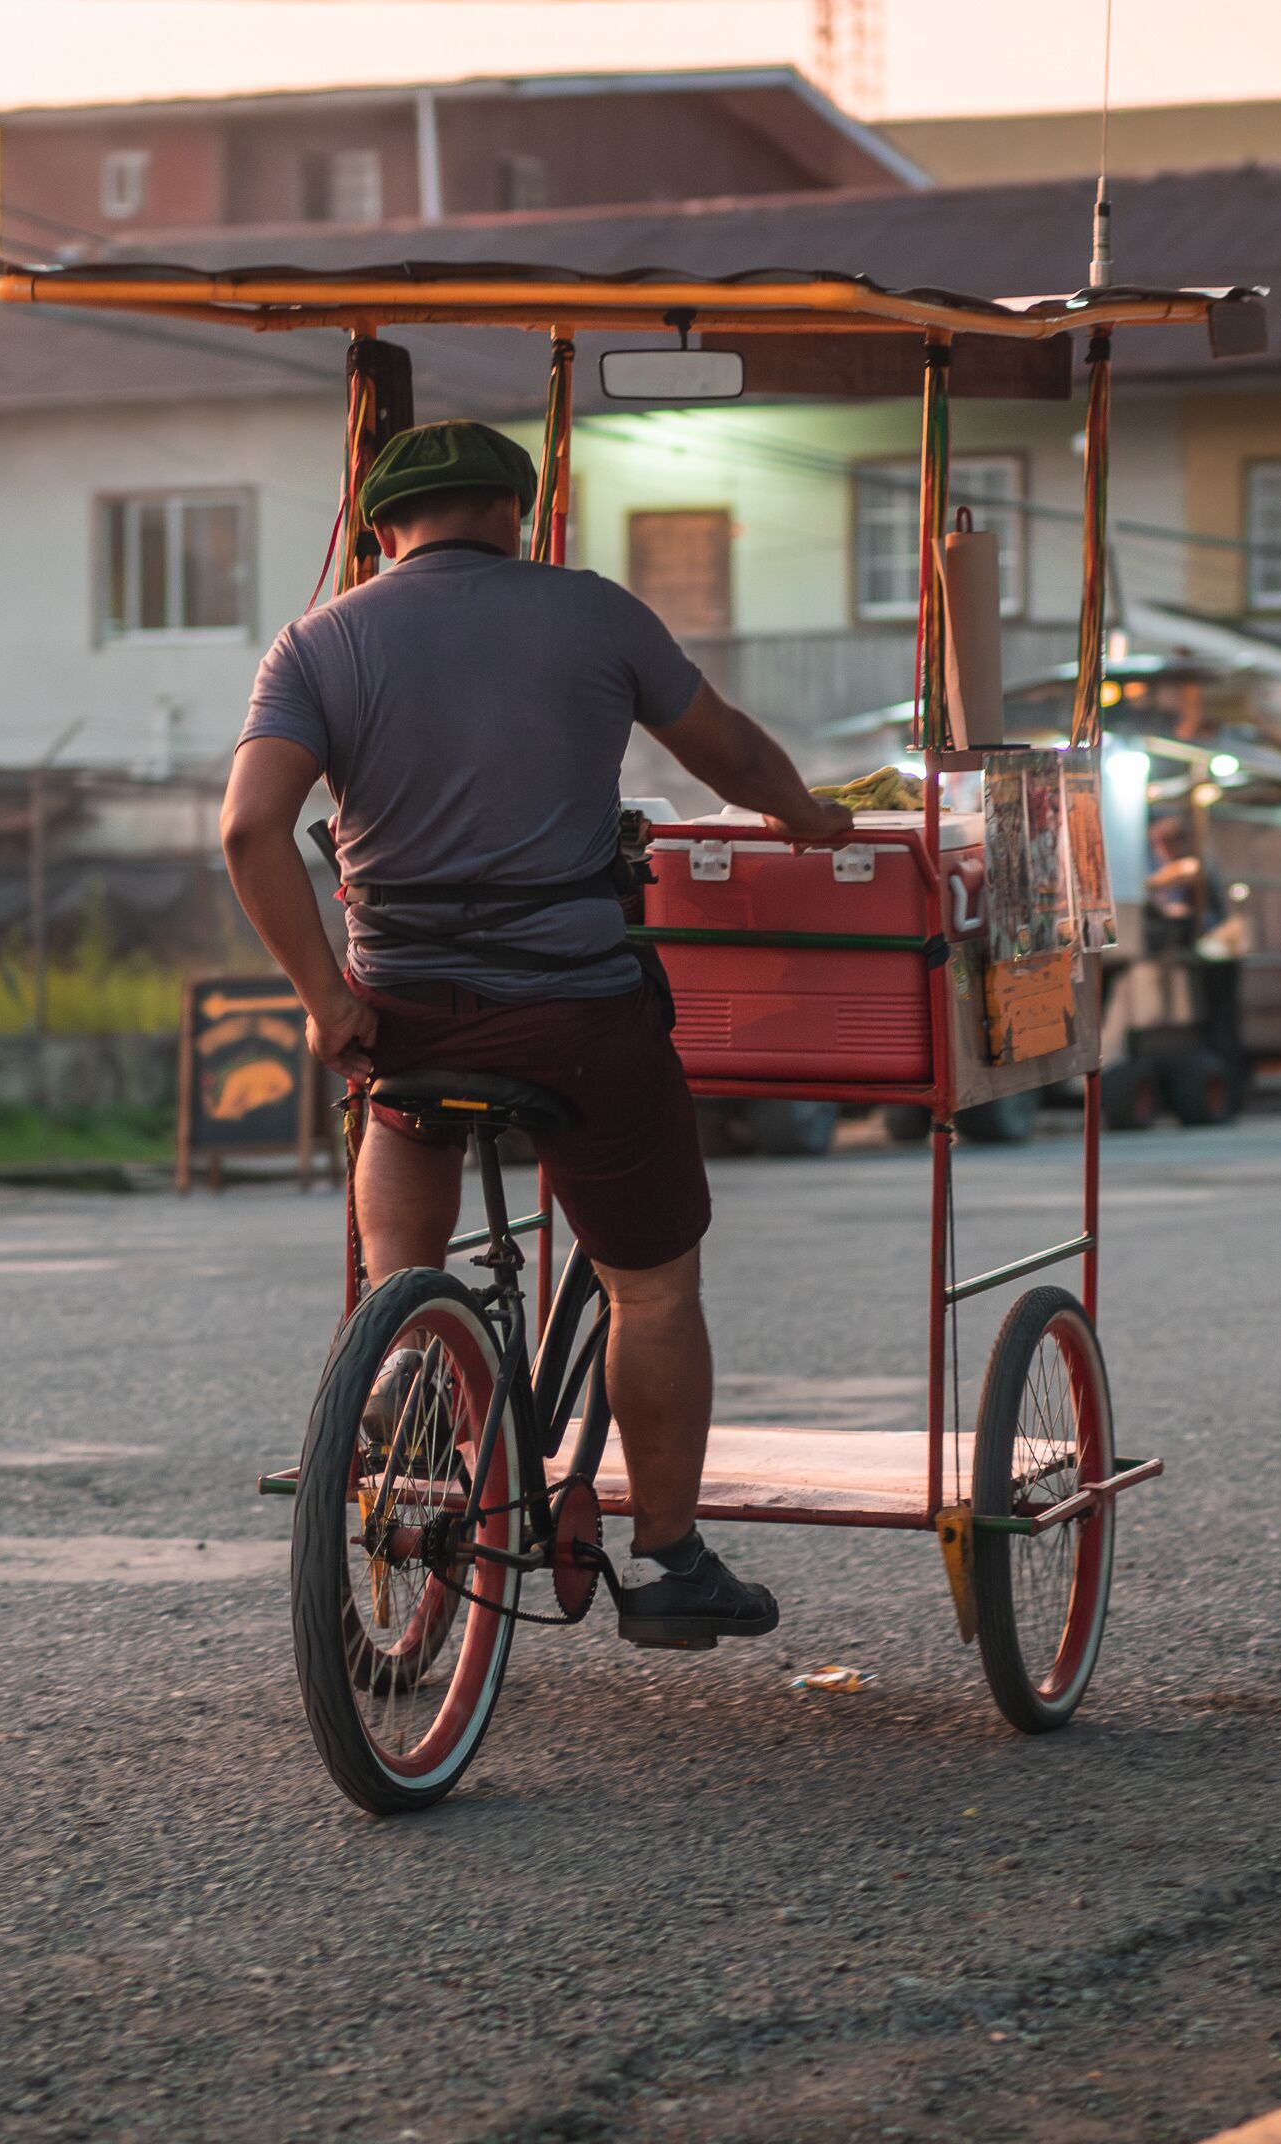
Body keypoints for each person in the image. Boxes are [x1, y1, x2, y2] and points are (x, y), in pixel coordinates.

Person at [218, 420, 852, 1647]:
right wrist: (809, 815)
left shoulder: (317, 642)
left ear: (381, 531)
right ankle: (670, 1562)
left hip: (407, 1016)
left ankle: (407, 1354)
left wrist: (324, 1000)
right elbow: (726, 752)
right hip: (577, 1016)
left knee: (395, 1201)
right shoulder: (592, 613)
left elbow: (251, 833)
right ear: (517, 511)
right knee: (651, 1285)